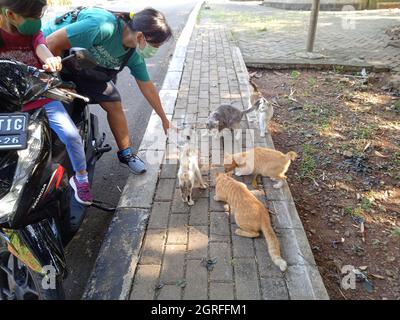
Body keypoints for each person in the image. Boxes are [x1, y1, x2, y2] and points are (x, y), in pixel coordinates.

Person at [43, 7, 173, 175]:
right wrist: (56, 79)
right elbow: (52, 42)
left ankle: (127, 154)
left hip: (83, 67)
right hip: (52, 56)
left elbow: (147, 87)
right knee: (53, 108)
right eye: (154, 45)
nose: (153, 51)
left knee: (114, 102)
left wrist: (164, 119)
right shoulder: (103, 26)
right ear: (140, 36)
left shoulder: (133, 54)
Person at [0, 0, 93, 205]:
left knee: (71, 136)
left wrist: (50, 59)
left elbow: (41, 46)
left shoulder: (32, 33)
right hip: (8, 105)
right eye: (31, 17)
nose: (36, 22)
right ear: (10, 14)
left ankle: (81, 179)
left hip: (41, 99)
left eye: (38, 17)